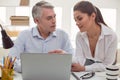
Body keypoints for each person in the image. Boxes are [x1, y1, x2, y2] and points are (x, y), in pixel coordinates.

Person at [8, 1, 74, 72]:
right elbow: (11, 61)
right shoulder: (24, 35)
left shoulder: (63, 35)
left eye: (54, 16)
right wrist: (34, 68)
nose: (54, 21)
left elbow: (74, 61)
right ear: (36, 20)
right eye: (49, 18)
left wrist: (66, 56)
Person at [71, 1, 117, 72]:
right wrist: (64, 55)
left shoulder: (111, 36)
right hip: (88, 73)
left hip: (106, 74)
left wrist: (84, 68)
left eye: (80, 18)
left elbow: (107, 65)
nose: (77, 23)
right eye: (75, 20)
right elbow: (79, 59)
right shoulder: (79, 36)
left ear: (93, 16)